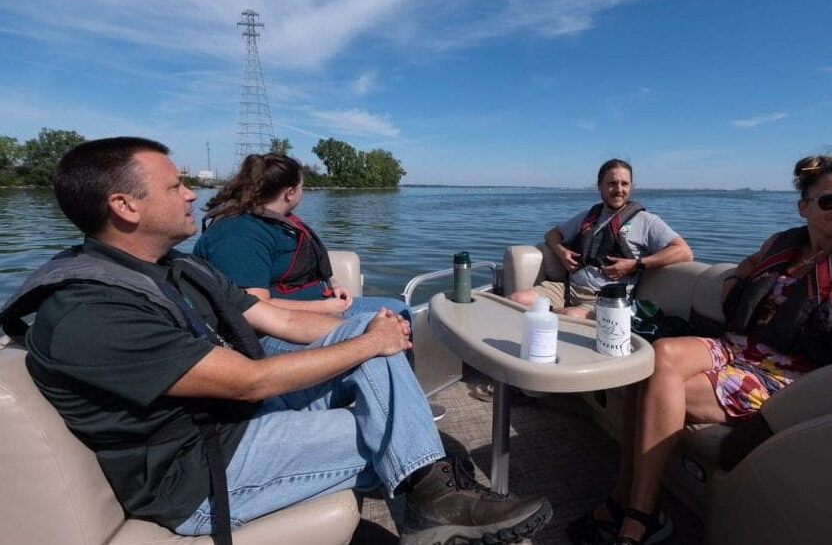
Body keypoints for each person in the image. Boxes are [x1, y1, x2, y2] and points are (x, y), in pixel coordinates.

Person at [0, 137, 551, 545]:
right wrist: (366, 345)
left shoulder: (176, 270)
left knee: (375, 343)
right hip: (196, 474)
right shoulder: (91, 310)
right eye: (175, 185)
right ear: (125, 206)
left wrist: (367, 330)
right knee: (420, 441)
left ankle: (430, 503)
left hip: (231, 424)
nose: (192, 192)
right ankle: (431, 503)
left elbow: (275, 318)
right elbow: (248, 381)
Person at [570, 153, 832, 545]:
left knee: (653, 389)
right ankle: (638, 509)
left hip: (795, 380)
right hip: (738, 348)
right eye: (831, 201)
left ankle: (633, 512)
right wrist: (739, 281)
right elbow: (742, 271)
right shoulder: (782, 245)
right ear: (805, 208)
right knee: (656, 357)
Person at [193, 153, 411, 354]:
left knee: (399, 312)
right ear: (290, 193)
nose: (302, 192)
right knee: (381, 339)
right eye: (302, 186)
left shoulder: (279, 221)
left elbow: (305, 264)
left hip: (321, 305)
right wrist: (323, 307)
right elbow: (252, 305)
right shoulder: (238, 234)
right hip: (268, 333)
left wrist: (332, 283)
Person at [509, 159, 693, 317]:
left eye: (624, 184)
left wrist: (635, 264)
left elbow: (683, 251)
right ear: (600, 186)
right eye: (612, 183)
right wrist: (562, 252)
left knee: (571, 316)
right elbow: (552, 234)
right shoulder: (588, 217)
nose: (618, 189)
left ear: (632, 187)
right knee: (515, 300)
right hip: (568, 288)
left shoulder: (647, 222)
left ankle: (543, 319)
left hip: (605, 299)